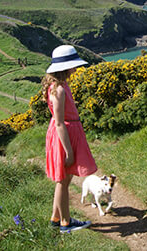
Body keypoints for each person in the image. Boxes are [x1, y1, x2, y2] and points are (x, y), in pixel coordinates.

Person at [42, 45, 97, 233]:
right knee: (63, 182)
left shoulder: (60, 86)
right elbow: (59, 123)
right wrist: (69, 151)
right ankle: (66, 223)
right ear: (65, 67)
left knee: (63, 180)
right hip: (64, 135)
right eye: (73, 66)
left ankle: (56, 218)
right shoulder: (59, 90)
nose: (75, 68)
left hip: (68, 131)